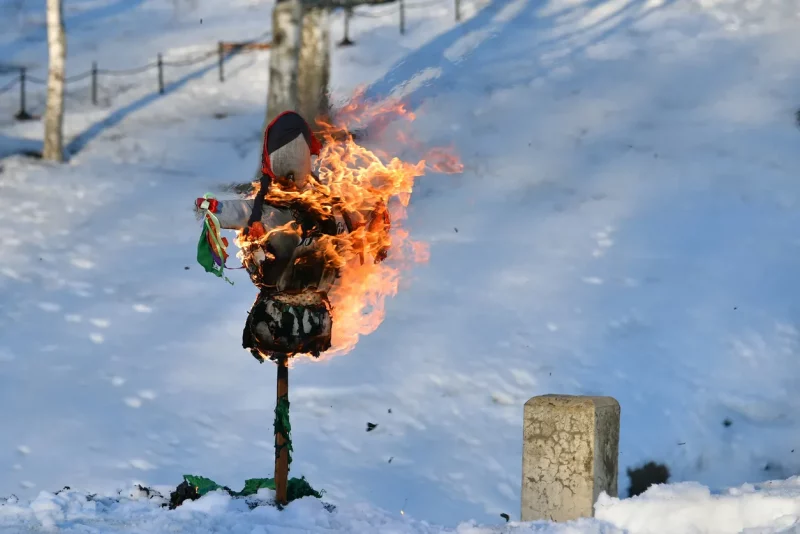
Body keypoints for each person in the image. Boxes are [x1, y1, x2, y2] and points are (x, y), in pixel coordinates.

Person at [195, 111, 389, 362]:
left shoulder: (322, 207)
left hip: (303, 316)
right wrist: (212, 209)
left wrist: (374, 222)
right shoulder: (273, 209)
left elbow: (357, 223)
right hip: (286, 316)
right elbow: (234, 211)